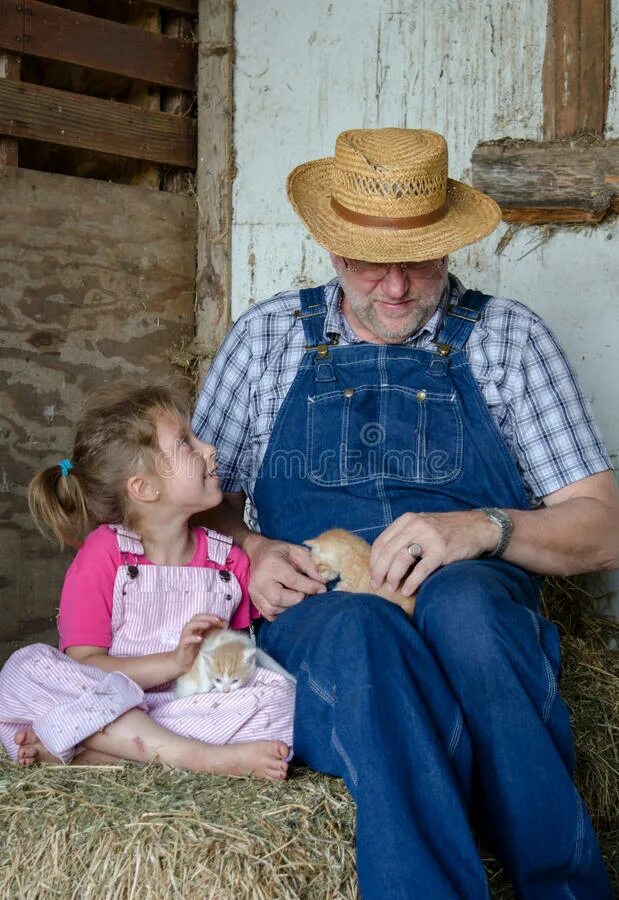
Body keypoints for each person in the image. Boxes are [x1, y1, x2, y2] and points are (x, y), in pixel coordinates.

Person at [191, 128, 619, 898]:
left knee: (466, 611)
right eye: (365, 261)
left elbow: (604, 529)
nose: (393, 289)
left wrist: (486, 528)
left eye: (416, 260)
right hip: (320, 605)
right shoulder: (264, 340)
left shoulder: (507, 340)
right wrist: (249, 551)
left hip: (471, 589)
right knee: (364, 628)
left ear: (450, 246)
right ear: (329, 248)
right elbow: (198, 515)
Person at [0, 381, 294, 780]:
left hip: (181, 708)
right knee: (25, 668)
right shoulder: (104, 554)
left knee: (282, 700)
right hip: (104, 699)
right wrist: (173, 661)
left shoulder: (229, 560)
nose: (210, 449)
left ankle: (100, 750)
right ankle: (197, 758)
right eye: (186, 444)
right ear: (144, 488)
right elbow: (84, 666)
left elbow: (237, 657)